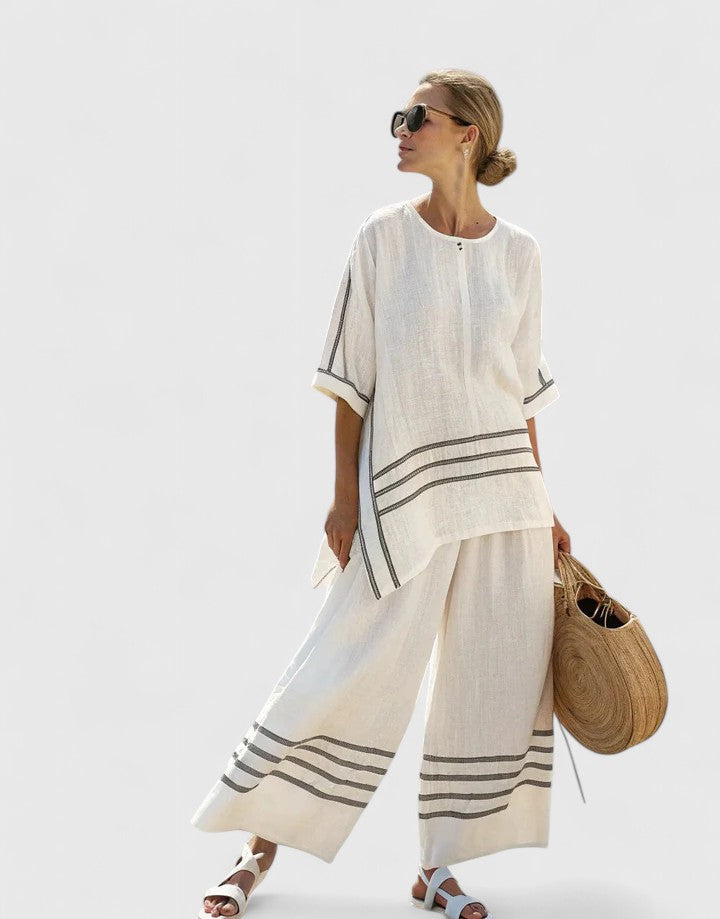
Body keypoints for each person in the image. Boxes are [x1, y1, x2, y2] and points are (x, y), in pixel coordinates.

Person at [192, 67, 571, 919]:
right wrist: (342, 498)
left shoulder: (521, 254)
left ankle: (438, 867)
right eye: (399, 117)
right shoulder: (383, 238)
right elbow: (351, 379)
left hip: (505, 497)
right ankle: (256, 845)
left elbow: (519, 391)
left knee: (491, 678)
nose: (400, 130)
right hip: (405, 497)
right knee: (343, 664)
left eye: (416, 116)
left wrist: (545, 504)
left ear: (467, 133)